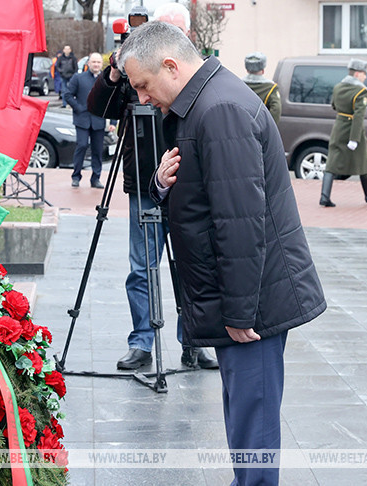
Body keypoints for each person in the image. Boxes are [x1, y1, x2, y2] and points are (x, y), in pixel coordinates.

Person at [117, 21, 326, 485]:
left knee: (253, 423)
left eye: (145, 85)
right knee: (245, 416)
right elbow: (201, 195)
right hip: (241, 298)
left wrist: (239, 311)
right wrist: (158, 183)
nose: (144, 99)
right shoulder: (202, 104)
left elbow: (240, 224)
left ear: (171, 65)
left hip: (251, 303)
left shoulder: (221, 109)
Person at [87, 2, 220, 371]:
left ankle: (195, 339)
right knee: (142, 267)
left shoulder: (189, 72)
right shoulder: (134, 73)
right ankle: (142, 341)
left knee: (191, 264)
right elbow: (98, 108)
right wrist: (114, 73)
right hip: (143, 183)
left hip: (188, 182)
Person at [320, 59, 367, 207]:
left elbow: (334, 105)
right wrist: (354, 138)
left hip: (339, 126)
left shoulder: (338, 87)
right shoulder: (362, 91)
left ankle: (324, 195)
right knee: (363, 161)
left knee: (332, 162)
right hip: (353, 129)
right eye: (364, 74)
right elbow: (359, 116)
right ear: (358, 74)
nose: (365, 77)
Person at [65, 53, 106, 189]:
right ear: (88, 63)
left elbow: (111, 100)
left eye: (98, 62)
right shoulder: (78, 78)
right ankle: (76, 176)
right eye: (94, 62)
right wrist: (78, 108)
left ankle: (96, 178)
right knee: (82, 146)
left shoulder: (105, 80)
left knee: (97, 150)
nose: (96, 65)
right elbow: (68, 95)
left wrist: (112, 123)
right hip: (82, 119)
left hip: (98, 121)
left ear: (101, 64)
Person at [243, 52, 281, 125]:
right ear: (263, 70)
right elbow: (276, 109)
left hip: (242, 126)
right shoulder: (271, 87)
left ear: (247, 70)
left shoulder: (239, 84)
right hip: (261, 127)